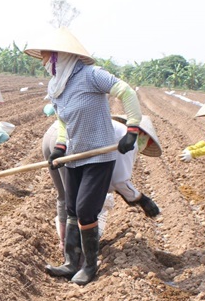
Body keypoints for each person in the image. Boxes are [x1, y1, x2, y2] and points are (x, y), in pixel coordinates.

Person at [25, 27, 143, 286]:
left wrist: (132, 129)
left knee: (86, 210)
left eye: (47, 57)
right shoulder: (57, 86)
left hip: (99, 155)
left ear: (59, 56)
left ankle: (90, 266)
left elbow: (126, 92)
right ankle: (70, 263)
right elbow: (63, 121)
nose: (44, 63)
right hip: (75, 157)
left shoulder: (91, 75)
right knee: (71, 208)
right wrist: (60, 146)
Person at [42, 106, 161, 250]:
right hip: (69, 140)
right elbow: (119, 180)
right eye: (147, 142)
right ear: (142, 133)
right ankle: (77, 253)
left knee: (64, 196)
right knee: (78, 201)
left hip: (53, 134)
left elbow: (114, 179)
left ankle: (65, 243)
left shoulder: (115, 129)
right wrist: (141, 199)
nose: (144, 146)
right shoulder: (130, 139)